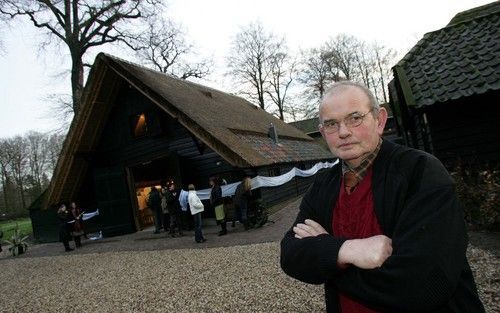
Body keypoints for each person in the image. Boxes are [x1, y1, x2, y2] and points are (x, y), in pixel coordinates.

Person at [280, 81, 484, 313]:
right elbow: (290, 254)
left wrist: (328, 260)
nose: (343, 132)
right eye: (331, 124)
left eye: (355, 118)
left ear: (379, 120)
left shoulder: (421, 172)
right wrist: (347, 250)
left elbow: (421, 284)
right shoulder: (323, 185)